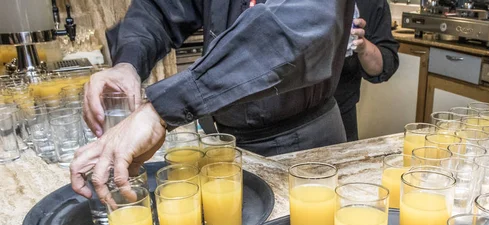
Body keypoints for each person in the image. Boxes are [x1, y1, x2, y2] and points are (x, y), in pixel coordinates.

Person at [70, 0, 354, 198]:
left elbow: (297, 29)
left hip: (301, 147)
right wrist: (128, 63)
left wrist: (158, 111)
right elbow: (161, 8)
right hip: (222, 142)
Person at [334, 0, 399, 142]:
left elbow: (382, 66)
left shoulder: (371, 3)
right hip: (278, 114)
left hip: (340, 114)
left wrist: (362, 47)